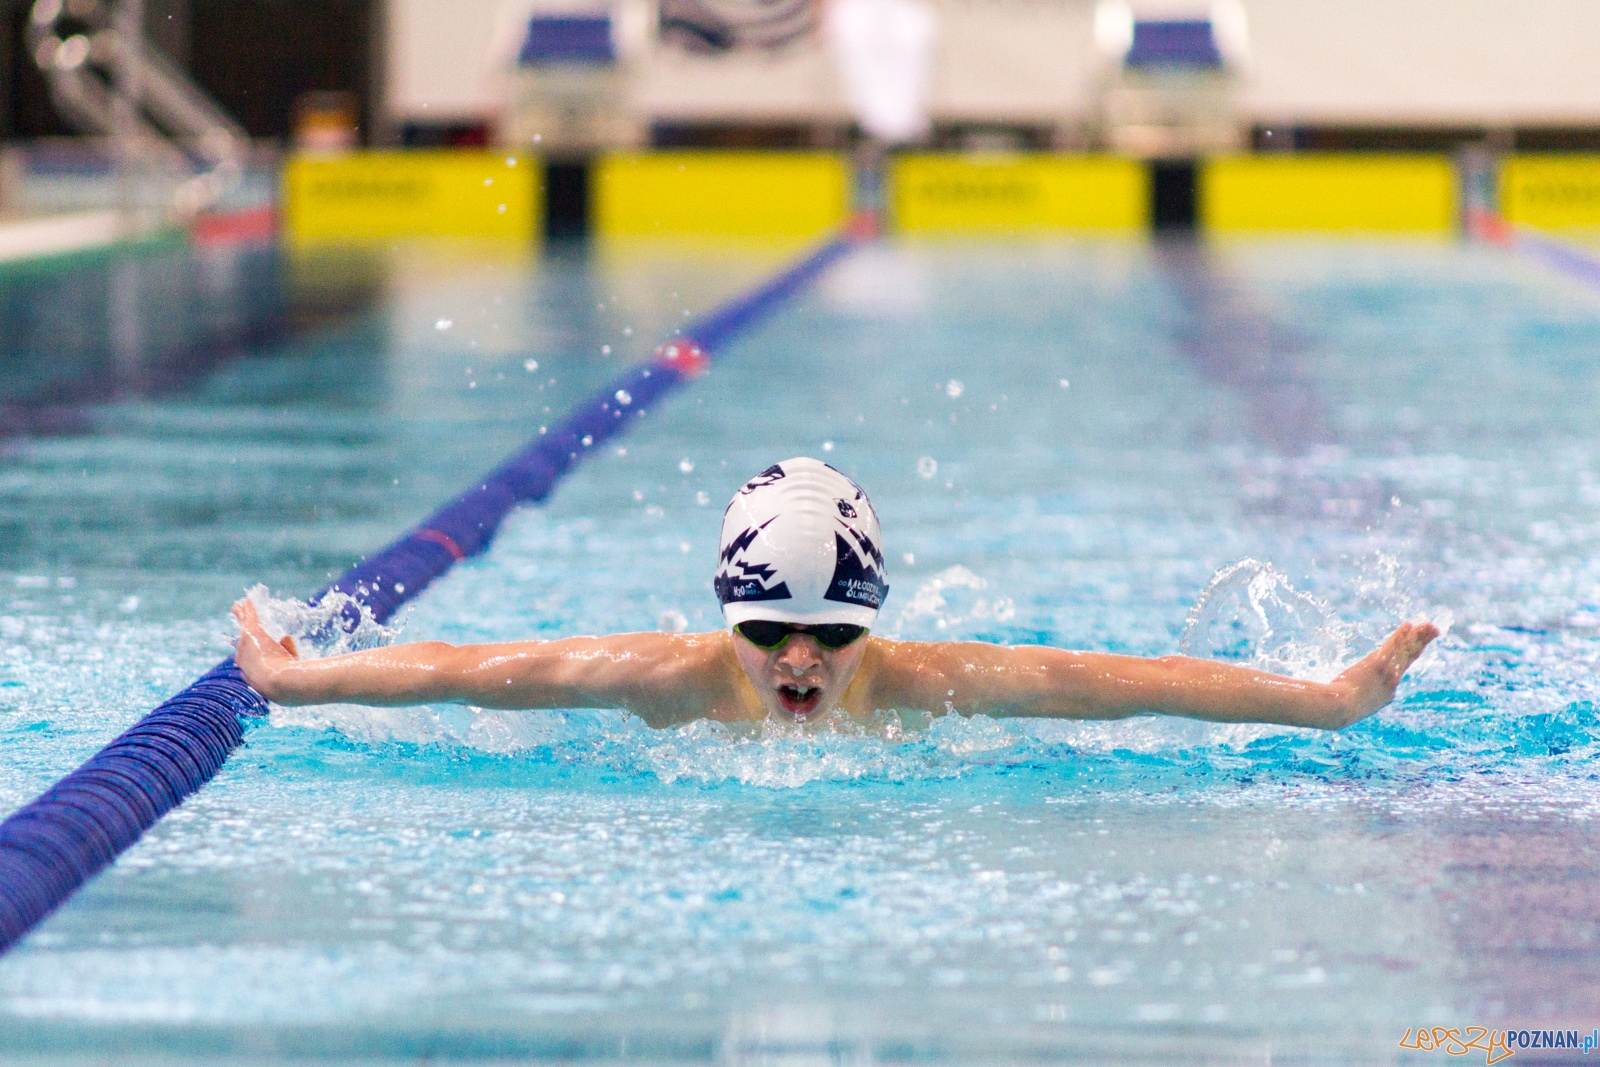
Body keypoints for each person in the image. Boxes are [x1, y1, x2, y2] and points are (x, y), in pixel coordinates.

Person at [233, 457, 1439, 731]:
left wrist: (1326, 702)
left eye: (831, 634)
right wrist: (303, 678)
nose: (799, 658)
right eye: (768, 630)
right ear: (725, 618)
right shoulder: (671, 679)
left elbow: (1144, 688)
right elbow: (462, 667)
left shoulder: (929, 682)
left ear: (874, 625)